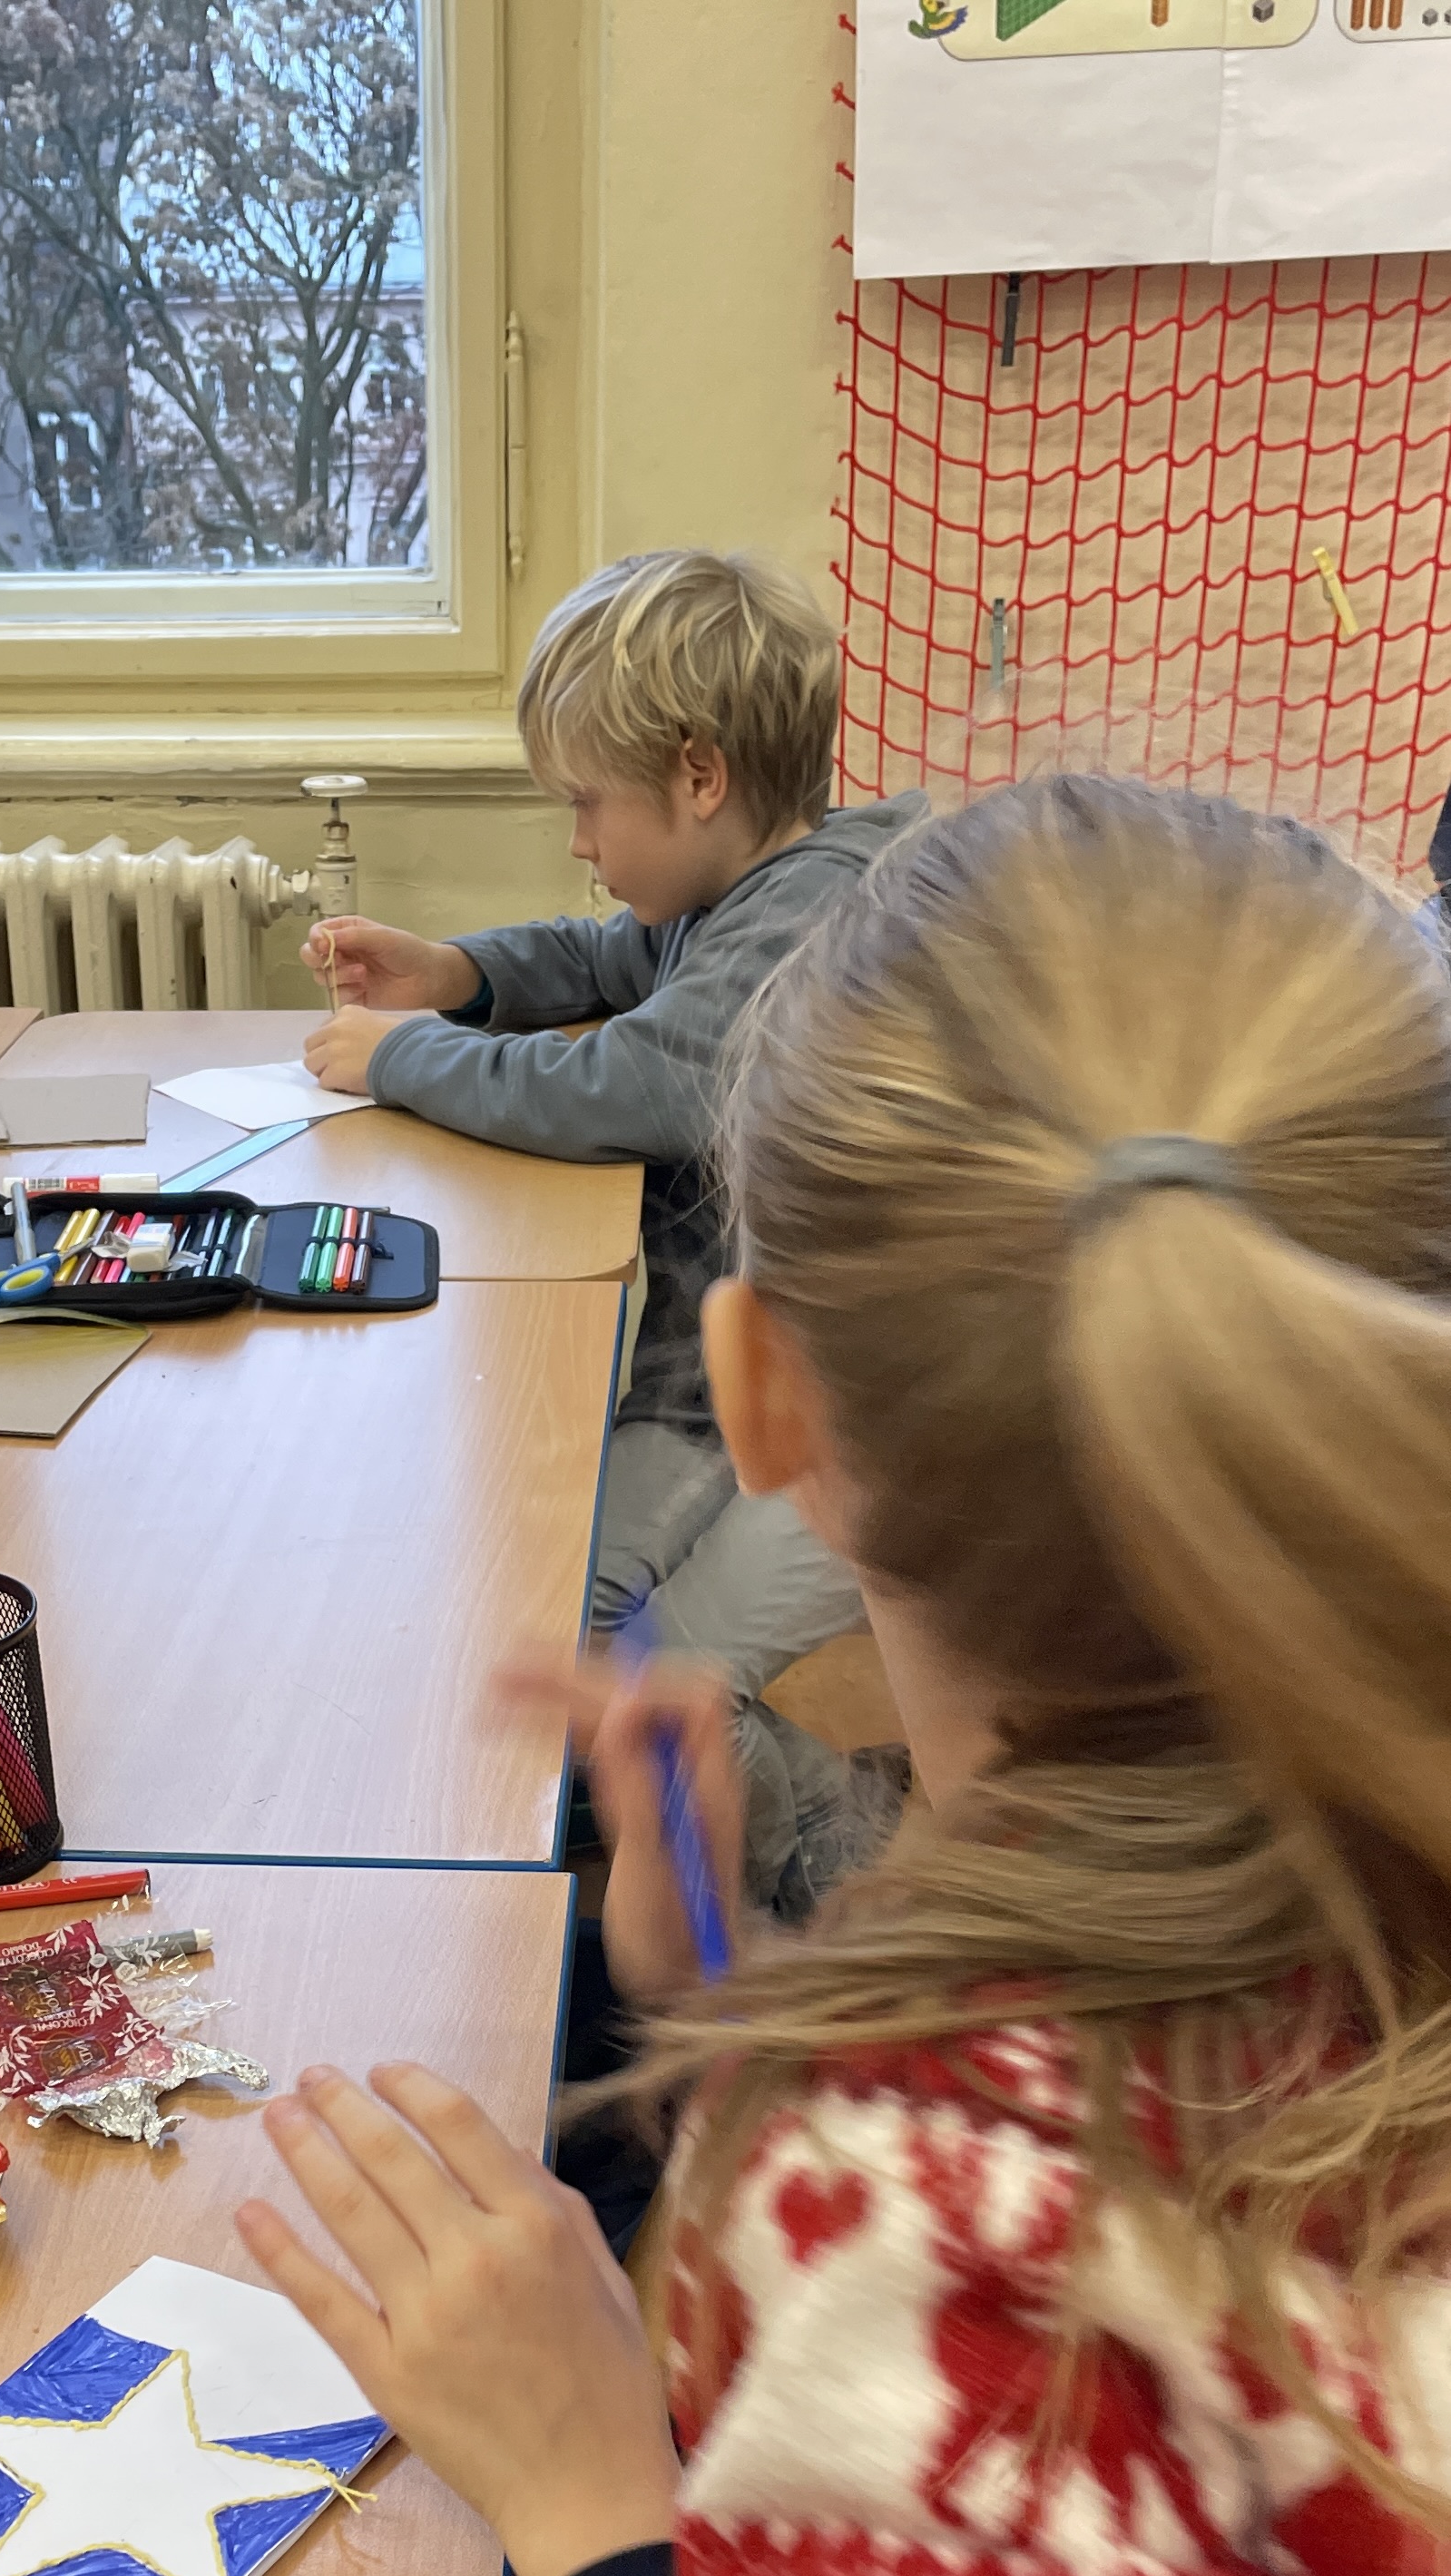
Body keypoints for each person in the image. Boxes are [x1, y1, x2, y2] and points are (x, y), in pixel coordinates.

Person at [239, 776, 1451, 2576]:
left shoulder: (962, 2193)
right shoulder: (1317, 1858)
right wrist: (750, 1999)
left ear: (762, 1396)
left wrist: (588, 2524)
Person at [302, 544, 926, 1911]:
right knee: (572, 1632)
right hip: (737, 1387)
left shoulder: (811, 924)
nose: (579, 842)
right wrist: (452, 973)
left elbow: (629, 1083)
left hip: (840, 1424)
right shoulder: (742, 890)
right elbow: (604, 957)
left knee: (629, 1682)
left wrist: (401, 1055)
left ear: (699, 776)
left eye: (588, 804)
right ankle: (791, 1826)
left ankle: (823, 1888)